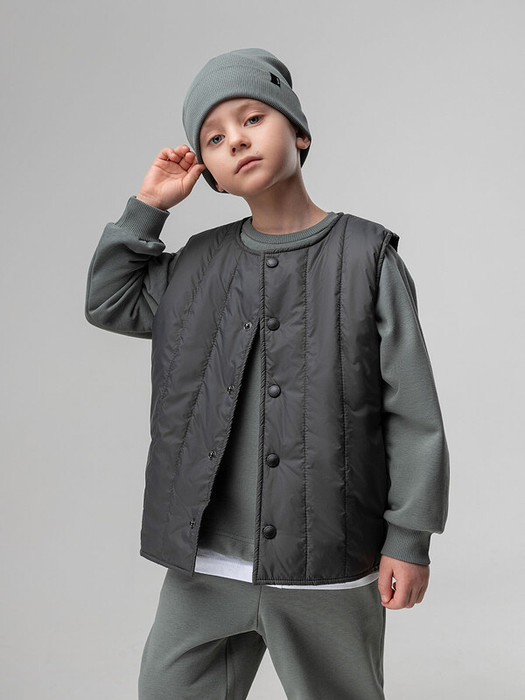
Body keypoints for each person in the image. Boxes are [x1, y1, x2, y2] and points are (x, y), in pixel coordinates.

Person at [85, 48, 450, 700]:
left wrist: (409, 538)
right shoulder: (197, 265)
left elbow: (413, 414)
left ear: (299, 133)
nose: (236, 140)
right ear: (212, 175)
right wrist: (149, 206)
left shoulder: (366, 258)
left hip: (327, 564)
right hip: (205, 564)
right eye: (214, 138)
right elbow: (110, 300)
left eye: (253, 118)